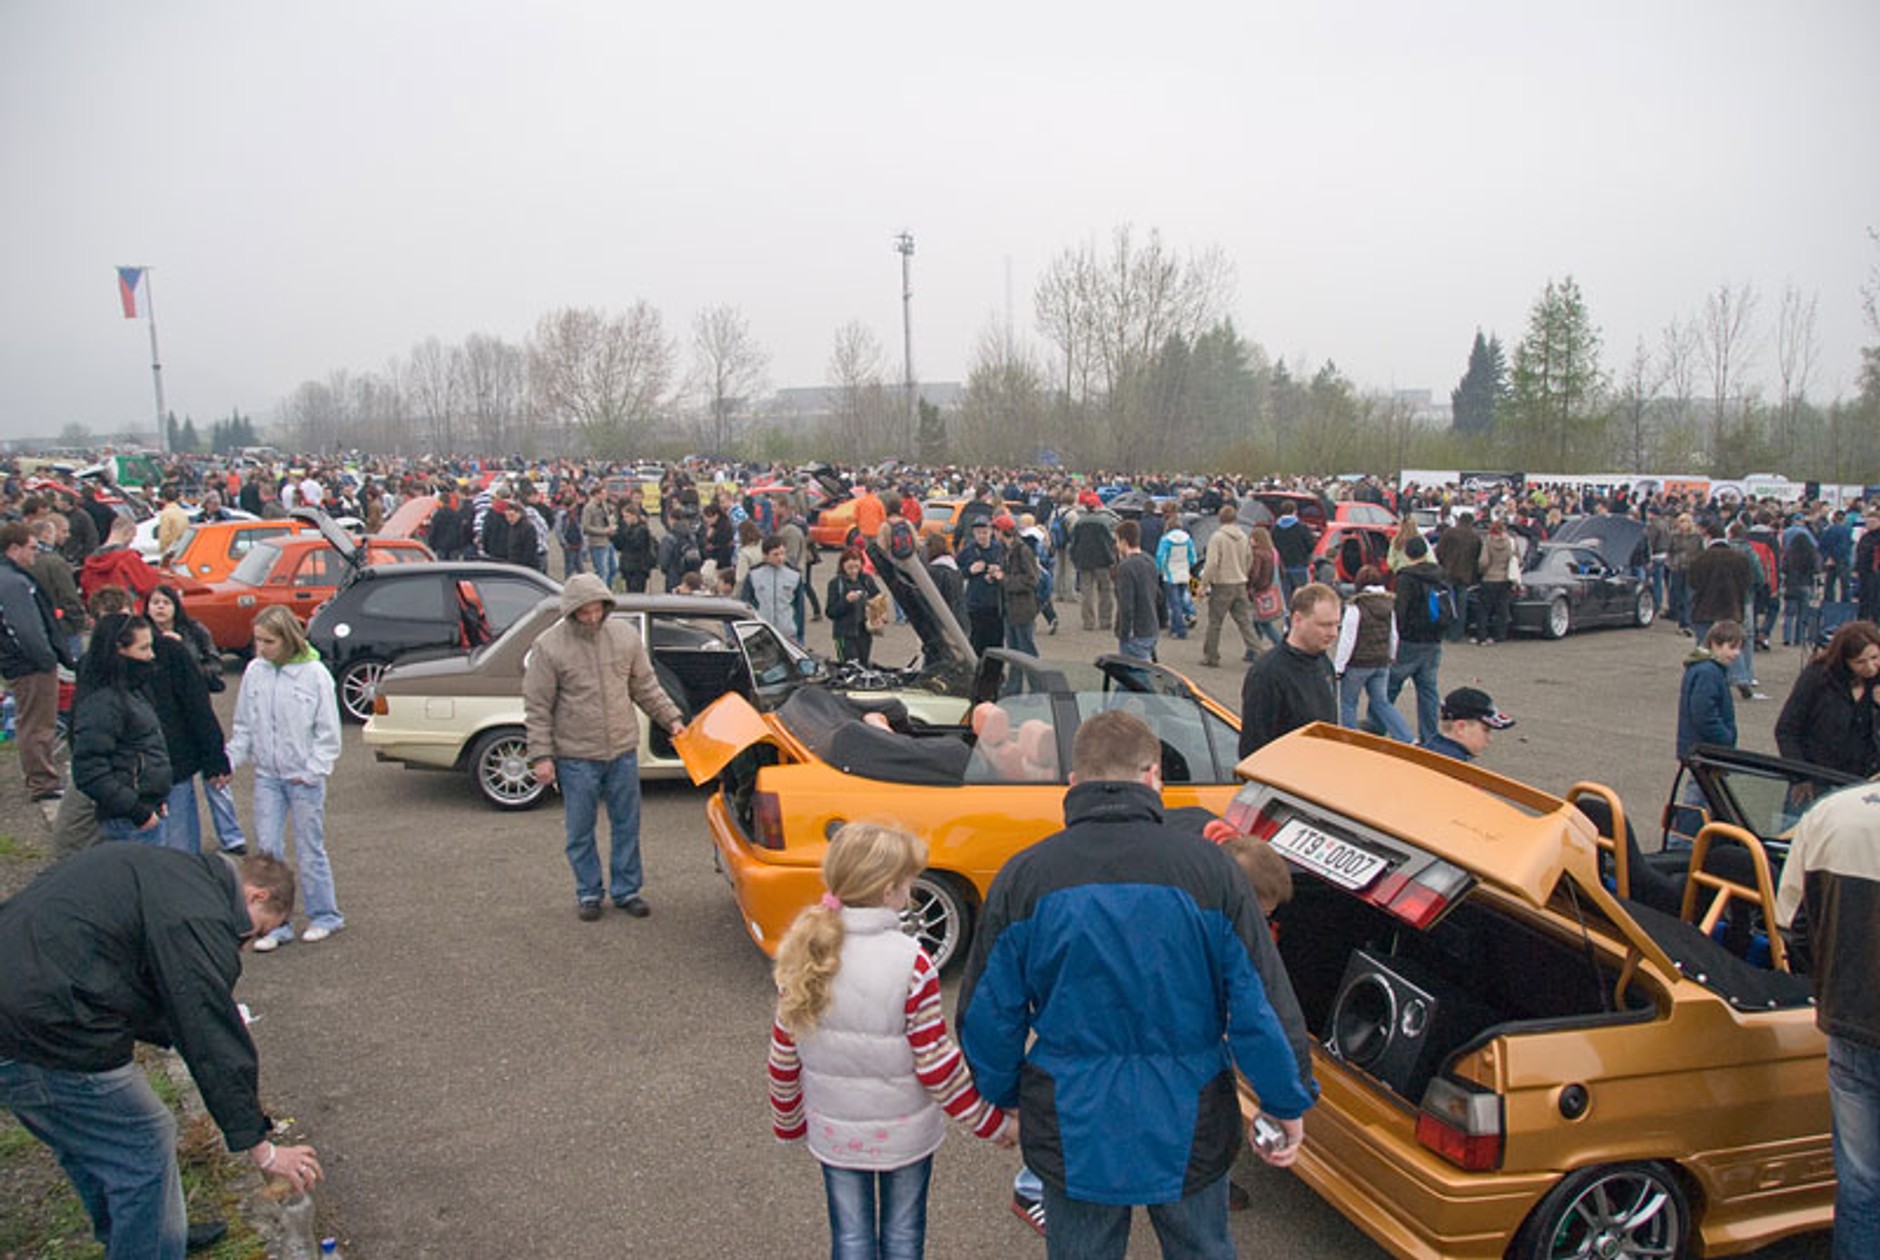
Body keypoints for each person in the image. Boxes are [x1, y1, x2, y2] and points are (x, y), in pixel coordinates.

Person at [958, 710, 1317, 1260]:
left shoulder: (1025, 875)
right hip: (1191, 1113)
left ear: (1074, 784)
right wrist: (1284, 1098)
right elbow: (1260, 1003)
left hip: (1071, 1115)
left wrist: (1003, 1095)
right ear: (1153, 777)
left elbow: (989, 1013)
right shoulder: (1213, 872)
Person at [0, 846, 322, 1259]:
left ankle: (143, 1230)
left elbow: (146, 982)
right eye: (258, 931)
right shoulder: (200, 916)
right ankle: (148, 1243)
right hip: (42, 1029)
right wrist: (263, 1148)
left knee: (92, 1140)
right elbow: (207, 1031)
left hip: (28, 996)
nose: (246, 945)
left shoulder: (175, 874)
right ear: (256, 895)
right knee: (144, 1138)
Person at [768, 822, 1015, 1260]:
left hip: (835, 1134)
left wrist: (789, 1121)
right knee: (903, 1236)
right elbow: (938, 1067)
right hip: (904, 1135)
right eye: (908, 882)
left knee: (850, 1237)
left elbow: (784, 1056)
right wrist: (991, 1124)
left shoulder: (806, 952)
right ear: (888, 891)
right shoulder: (911, 962)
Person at [524, 573, 686, 921]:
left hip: (622, 752)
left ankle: (627, 890)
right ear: (572, 611)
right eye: (585, 613)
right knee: (580, 830)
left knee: (626, 824)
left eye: (598, 610)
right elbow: (537, 707)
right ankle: (589, 892)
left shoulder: (625, 637)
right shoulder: (548, 646)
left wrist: (671, 720)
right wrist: (541, 756)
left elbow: (646, 687)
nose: (593, 618)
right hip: (575, 756)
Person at [1775, 783, 1880, 1259]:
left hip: (1850, 1024)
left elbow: (1790, 923)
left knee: (1860, 1186)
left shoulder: (1831, 815)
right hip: (1849, 1024)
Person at [227, 605, 345, 950]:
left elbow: (328, 732)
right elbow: (243, 725)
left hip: (303, 778)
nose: (261, 648)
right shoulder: (255, 672)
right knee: (268, 853)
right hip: (267, 775)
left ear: (287, 638)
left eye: (268, 641)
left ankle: (325, 915)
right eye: (258, 641)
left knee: (310, 848)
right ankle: (277, 924)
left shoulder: (315, 673)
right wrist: (230, 761)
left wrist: (312, 771)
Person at [140, 591, 236, 855]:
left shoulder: (191, 633)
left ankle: (231, 836)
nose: (159, 608)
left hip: (182, 743)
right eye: (154, 602)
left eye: (165, 602)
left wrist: (186, 660)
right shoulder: (137, 640)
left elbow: (212, 670)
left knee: (210, 792)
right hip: (157, 757)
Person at [71, 613, 172, 842]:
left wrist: (155, 798)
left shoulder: (132, 690)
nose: (151, 656)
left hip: (146, 812)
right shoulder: (104, 701)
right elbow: (88, 770)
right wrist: (137, 810)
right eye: (144, 648)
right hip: (129, 821)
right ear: (120, 649)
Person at [1, 520, 76, 803]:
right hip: (29, 666)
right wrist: (45, 658)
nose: (35, 554)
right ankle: (42, 781)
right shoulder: (14, 583)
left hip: (22, 662)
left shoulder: (11, 578)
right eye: (31, 548)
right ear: (14, 548)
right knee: (38, 724)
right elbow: (24, 628)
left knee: (33, 722)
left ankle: (40, 777)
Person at [1238, 583, 1341, 759]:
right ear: (1297, 619)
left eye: (1336, 625)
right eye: (1324, 625)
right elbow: (1253, 749)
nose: (1333, 633)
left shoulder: (1324, 663)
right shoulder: (1267, 674)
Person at [1774, 620, 1880, 779]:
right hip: (1819, 775)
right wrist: (1800, 777)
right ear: (1844, 660)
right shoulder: (1817, 677)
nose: (1871, 667)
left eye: (1875, 657)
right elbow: (1787, 729)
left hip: (1867, 779)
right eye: (1860, 662)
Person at [1334, 566, 1413, 742]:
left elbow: (1348, 639)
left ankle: (1350, 740)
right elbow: (1393, 634)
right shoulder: (1389, 605)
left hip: (1358, 664)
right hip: (1381, 662)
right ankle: (1406, 737)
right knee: (1382, 703)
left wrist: (1339, 666)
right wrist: (1391, 655)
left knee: (1349, 704)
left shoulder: (1356, 607)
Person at [1200, 505, 1260, 668]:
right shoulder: (1243, 536)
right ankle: (1259, 653)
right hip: (1240, 582)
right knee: (1245, 623)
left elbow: (1212, 562)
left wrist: (1203, 584)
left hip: (1222, 584)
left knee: (1215, 622)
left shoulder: (1217, 537)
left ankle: (1211, 656)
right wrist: (1243, 573)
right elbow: (1249, 558)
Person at [1677, 621, 1742, 761]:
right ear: (1714, 644)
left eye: (1738, 648)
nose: (1736, 653)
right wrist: (1725, 738)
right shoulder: (1708, 673)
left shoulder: (1707, 669)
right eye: (1731, 647)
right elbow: (1703, 715)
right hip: (1705, 749)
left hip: (1700, 747)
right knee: (1702, 781)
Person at [955, 516, 1007, 656]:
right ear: (973, 533)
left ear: (991, 532)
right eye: (978, 533)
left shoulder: (999, 548)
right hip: (975, 604)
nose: (982, 536)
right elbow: (955, 572)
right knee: (976, 642)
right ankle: (976, 673)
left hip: (996, 604)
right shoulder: (968, 550)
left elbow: (1009, 570)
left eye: (984, 532)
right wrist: (970, 570)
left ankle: (994, 675)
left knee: (996, 643)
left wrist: (998, 571)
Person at [1421, 687, 1515, 762]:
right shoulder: (1456, 769)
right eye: (1486, 730)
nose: (1490, 739)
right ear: (1461, 728)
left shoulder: (1427, 751)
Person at [740, 534, 804, 643]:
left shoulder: (794, 575)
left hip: (787, 633)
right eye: (775, 554)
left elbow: (799, 608)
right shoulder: (753, 575)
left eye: (783, 553)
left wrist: (800, 635)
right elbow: (746, 604)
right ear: (765, 555)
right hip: (760, 633)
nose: (780, 558)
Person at [1068, 497, 1119, 632]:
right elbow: (1109, 542)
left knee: (1087, 592)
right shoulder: (1104, 522)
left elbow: (1073, 543)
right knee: (1106, 591)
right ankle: (1105, 621)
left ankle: (1088, 622)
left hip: (1084, 561)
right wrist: (1112, 559)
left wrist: (1075, 558)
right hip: (1102, 560)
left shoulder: (1079, 523)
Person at [1112, 518, 1160, 662]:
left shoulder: (1126, 567)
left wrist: (1124, 633)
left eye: (1117, 541)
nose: (1116, 545)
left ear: (1124, 542)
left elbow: (1127, 605)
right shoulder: (1150, 561)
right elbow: (1158, 595)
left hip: (1135, 633)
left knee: (1134, 678)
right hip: (1151, 628)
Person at [998, 514, 1043, 657]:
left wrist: (1005, 578)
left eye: (995, 530)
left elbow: (1032, 579)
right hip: (1009, 607)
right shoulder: (1006, 549)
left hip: (1023, 607)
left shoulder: (1023, 550)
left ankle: (1037, 679)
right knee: (1013, 650)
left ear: (1001, 531)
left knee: (1026, 648)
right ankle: (1014, 680)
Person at [827, 548, 881, 666]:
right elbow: (830, 612)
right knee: (850, 668)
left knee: (864, 666)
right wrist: (846, 601)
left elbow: (878, 598)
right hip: (845, 634)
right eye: (850, 568)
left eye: (857, 567)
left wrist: (877, 612)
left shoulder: (867, 580)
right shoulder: (836, 583)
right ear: (842, 566)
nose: (854, 571)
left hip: (864, 633)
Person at [1154, 510, 1197, 640]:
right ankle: (1178, 625)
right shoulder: (1187, 539)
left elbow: (1160, 557)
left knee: (1174, 603)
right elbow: (1193, 557)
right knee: (1182, 599)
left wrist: (1159, 570)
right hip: (1183, 572)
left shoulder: (1166, 540)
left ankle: (1179, 630)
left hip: (1170, 574)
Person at [581, 485, 617, 588]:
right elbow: (586, 527)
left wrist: (612, 525)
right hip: (597, 543)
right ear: (596, 494)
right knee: (602, 571)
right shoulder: (588, 508)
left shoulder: (604, 506)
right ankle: (601, 593)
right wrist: (603, 531)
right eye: (603, 494)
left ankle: (609, 589)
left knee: (614, 568)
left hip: (609, 541)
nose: (605, 496)